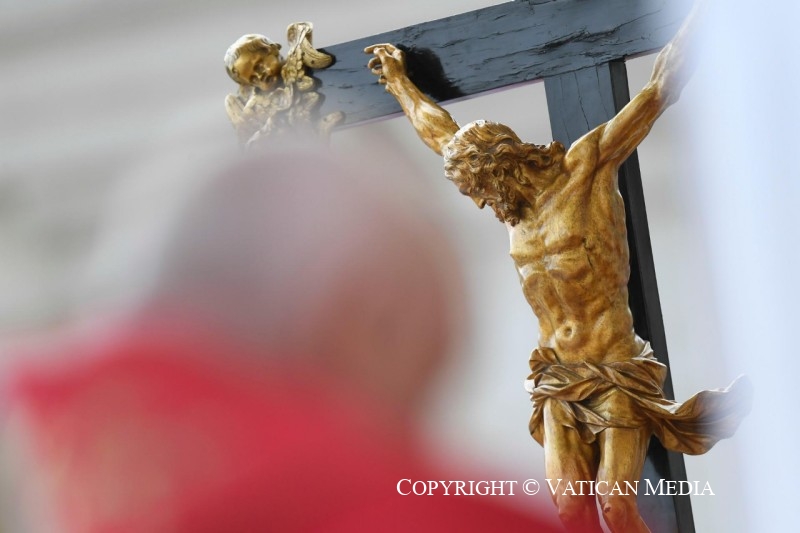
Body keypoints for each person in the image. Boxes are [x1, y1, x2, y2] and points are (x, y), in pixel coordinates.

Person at [0, 142, 563, 532]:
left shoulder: (44, 474)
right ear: (368, 323)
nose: (415, 445)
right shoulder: (443, 521)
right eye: (418, 397)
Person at [366, 4, 751, 533]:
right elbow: (440, 134)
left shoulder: (583, 172)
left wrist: (708, 19)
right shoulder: (512, 212)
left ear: (504, 166)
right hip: (555, 378)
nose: (481, 202)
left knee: (616, 509)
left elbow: (656, 92)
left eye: (481, 189)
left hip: (615, 369)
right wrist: (400, 86)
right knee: (571, 514)